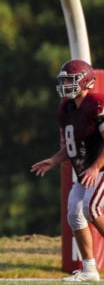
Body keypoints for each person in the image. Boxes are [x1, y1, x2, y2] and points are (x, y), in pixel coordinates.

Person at [32, 60, 104, 282]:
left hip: (100, 167)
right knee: (74, 213)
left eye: (69, 80)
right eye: (63, 80)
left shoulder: (97, 104)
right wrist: (53, 160)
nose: (65, 85)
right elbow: (70, 146)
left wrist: (94, 167)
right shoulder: (66, 109)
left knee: (92, 207)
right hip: (86, 170)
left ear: (85, 81)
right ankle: (90, 270)